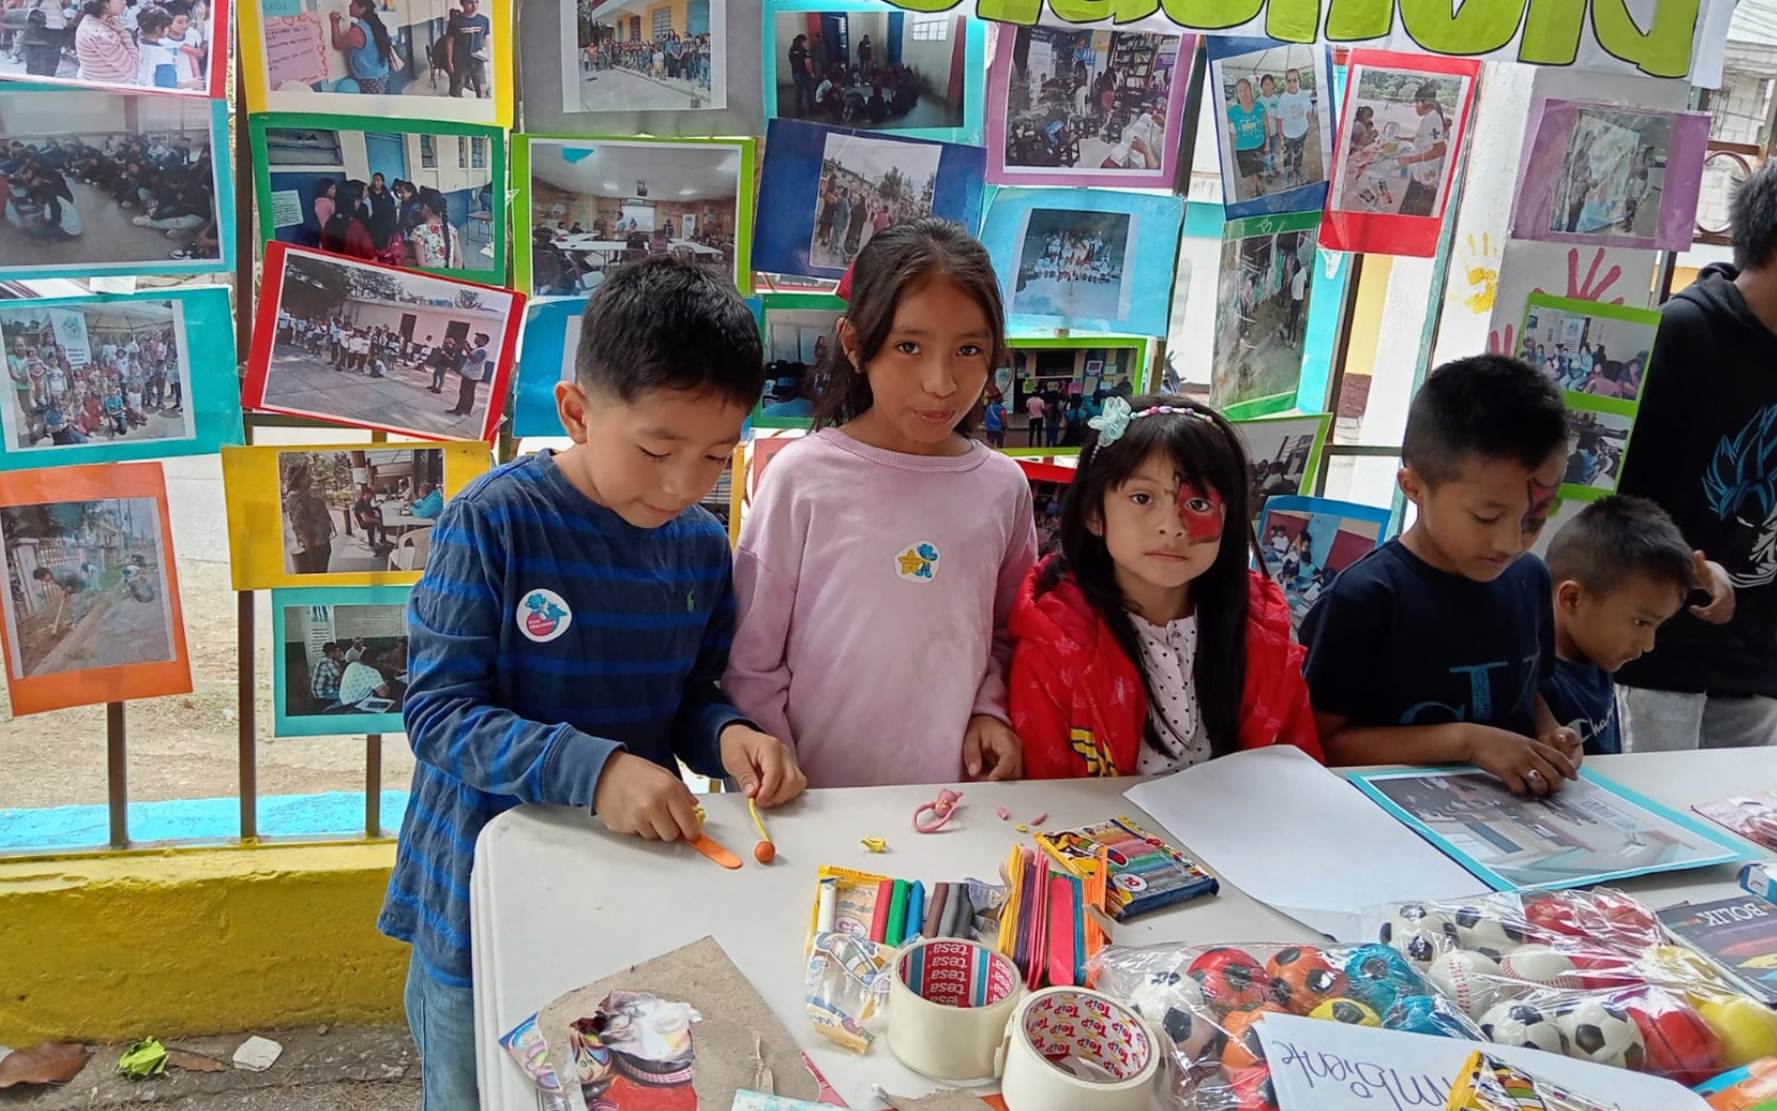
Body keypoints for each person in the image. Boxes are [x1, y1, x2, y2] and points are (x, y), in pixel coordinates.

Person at [379, 256, 802, 1111]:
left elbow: (687, 696)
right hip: (479, 900)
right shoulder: (494, 520)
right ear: (575, 411)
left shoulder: (695, 546)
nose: (686, 483)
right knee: (477, 1093)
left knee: (598, 1085)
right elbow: (437, 712)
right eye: (655, 449)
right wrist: (597, 768)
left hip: (619, 893)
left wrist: (728, 734)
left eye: (718, 454)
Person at [725, 218, 1037, 789]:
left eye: (969, 349)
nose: (941, 382)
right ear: (854, 344)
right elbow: (751, 660)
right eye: (909, 346)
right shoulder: (802, 477)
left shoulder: (1002, 487)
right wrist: (775, 763)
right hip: (810, 805)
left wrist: (990, 712)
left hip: (953, 806)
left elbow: (1006, 634)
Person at [1300, 355, 1583, 795]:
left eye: (1536, 516)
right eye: (1487, 517)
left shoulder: (1529, 578)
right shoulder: (1365, 599)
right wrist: (1466, 742)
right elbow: (1317, 744)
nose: (1512, 541)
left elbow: (1527, 692)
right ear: (1414, 487)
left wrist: (1548, 733)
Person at [1008, 396, 1321, 777]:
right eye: (1143, 498)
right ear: (1094, 512)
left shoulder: (1266, 631)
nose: (1172, 526)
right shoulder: (1054, 644)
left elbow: (1297, 769)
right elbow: (1043, 798)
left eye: (1200, 503)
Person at [1611, 161, 1777, 751]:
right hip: (1657, 656)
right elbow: (1611, 501)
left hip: (1757, 667)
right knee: (1652, 833)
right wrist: (1683, 564)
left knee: (1745, 837)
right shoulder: (1677, 336)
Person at [1540, 497, 1697, 758]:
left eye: (1657, 625)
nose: (1648, 644)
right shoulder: (1532, 678)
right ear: (1572, 599)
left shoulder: (1596, 652)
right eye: (1641, 622)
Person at [1396, 81, 1450, 218]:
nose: (1415, 107)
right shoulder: (1430, 118)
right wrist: (1403, 139)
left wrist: (1409, 160)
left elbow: (1440, 150)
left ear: (1421, 103)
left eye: (1416, 103)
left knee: (1411, 208)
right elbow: (1422, 140)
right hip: (1419, 170)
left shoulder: (1432, 119)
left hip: (1424, 172)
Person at [283, 462, 336, 575]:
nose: (310, 477)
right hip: (314, 547)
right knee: (317, 574)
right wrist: (310, 553)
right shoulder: (295, 496)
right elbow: (300, 525)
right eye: (307, 475)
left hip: (322, 543)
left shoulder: (306, 493)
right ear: (299, 479)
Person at [331, 0, 393, 94]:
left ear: (362, 9)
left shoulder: (358, 31)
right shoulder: (375, 25)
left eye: (353, 4)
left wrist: (334, 23)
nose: (349, 6)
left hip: (369, 79)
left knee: (370, 107)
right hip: (382, 73)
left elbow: (338, 44)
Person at [73, 0, 136, 85]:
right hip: (106, 91)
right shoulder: (102, 35)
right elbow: (133, 68)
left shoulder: (92, 21)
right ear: (103, 2)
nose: (124, 2)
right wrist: (123, 32)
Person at [1226, 77, 1268, 199]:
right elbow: (1223, 124)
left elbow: (1266, 125)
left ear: (1251, 91)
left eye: (1246, 89)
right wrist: (1230, 133)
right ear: (1237, 94)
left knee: (1259, 171)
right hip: (1243, 149)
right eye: (1240, 91)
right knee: (1248, 174)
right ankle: (1253, 190)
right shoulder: (1233, 111)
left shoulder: (1259, 106)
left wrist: (1268, 143)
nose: (1244, 93)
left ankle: (1260, 186)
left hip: (1259, 145)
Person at [1275, 67, 1314, 183]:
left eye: (1295, 80)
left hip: (1302, 132)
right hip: (1287, 135)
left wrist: (1310, 126)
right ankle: (1288, 173)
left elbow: (1308, 112)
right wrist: (1281, 137)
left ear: (1299, 81)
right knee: (1287, 156)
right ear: (1286, 82)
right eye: (1289, 80)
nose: (1292, 83)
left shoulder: (1304, 96)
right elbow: (1279, 119)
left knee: (1299, 153)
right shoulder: (1283, 99)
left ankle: (1297, 169)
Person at [445, 0, 489, 99]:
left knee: (483, 91)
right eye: (470, 2)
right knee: (456, 89)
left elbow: (485, 38)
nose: (474, 6)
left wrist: (486, 52)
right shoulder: (455, 22)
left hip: (478, 62)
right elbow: (449, 42)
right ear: (462, 3)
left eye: (476, 2)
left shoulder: (484, 20)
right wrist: (449, 61)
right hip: (460, 62)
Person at [409, 188, 459, 269]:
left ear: (425, 207)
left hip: (432, 280)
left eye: (419, 207)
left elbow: (422, 266)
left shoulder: (419, 232)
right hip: (451, 278)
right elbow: (458, 260)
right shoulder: (451, 229)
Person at [17, 0, 69, 78]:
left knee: (33, 62)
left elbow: (22, 5)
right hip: (54, 25)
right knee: (50, 63)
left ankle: (32, 84)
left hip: (34, 24)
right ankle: (46, 84)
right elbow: (66, 3)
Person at [447, 331, 491, 417]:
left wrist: (466, 348)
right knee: (470, 393)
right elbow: (472, 353)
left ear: (483, 340)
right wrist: (468, 346)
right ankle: (467, 409)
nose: (476, 338)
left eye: (478, 338)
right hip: (473, 375)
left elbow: (474, 360)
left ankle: (458, 410)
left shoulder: (482, 351)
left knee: (464, 392)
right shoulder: (479, 349)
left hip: (471, 375)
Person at [310, 641, 345, 706]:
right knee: (346, 697)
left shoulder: (325, 659)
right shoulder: (327, 663)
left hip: (326, 689)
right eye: (338, 651)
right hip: (323, 693)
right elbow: (340, 678)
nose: (340, 653)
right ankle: (331, 709)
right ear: (331, 653)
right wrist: (339, 667)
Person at [1286, 257, 1307, 346]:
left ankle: (1288, 340)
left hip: (1294, 301)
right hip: (1300, 301)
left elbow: (1292, 290)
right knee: (1295, 322)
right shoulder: (1303, 272)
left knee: (1291, 321)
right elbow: (1306, 283)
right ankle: (1294, 342)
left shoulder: (1295, 278)